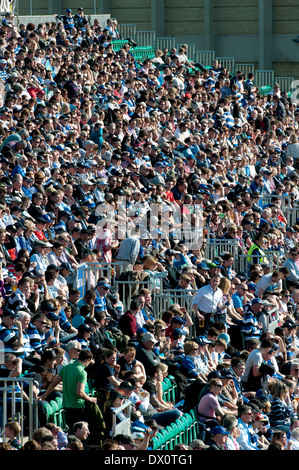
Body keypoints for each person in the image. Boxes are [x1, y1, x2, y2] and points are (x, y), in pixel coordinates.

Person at [39, 349, 97, 431]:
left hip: (66, 406)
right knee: (80, 433)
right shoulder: (82, 372)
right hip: (78, 407)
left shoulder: (66, 368)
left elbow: (53, 383)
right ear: (88, 359)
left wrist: (45, 394)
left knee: (71, 431)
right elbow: (80, 393)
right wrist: (90, 399)